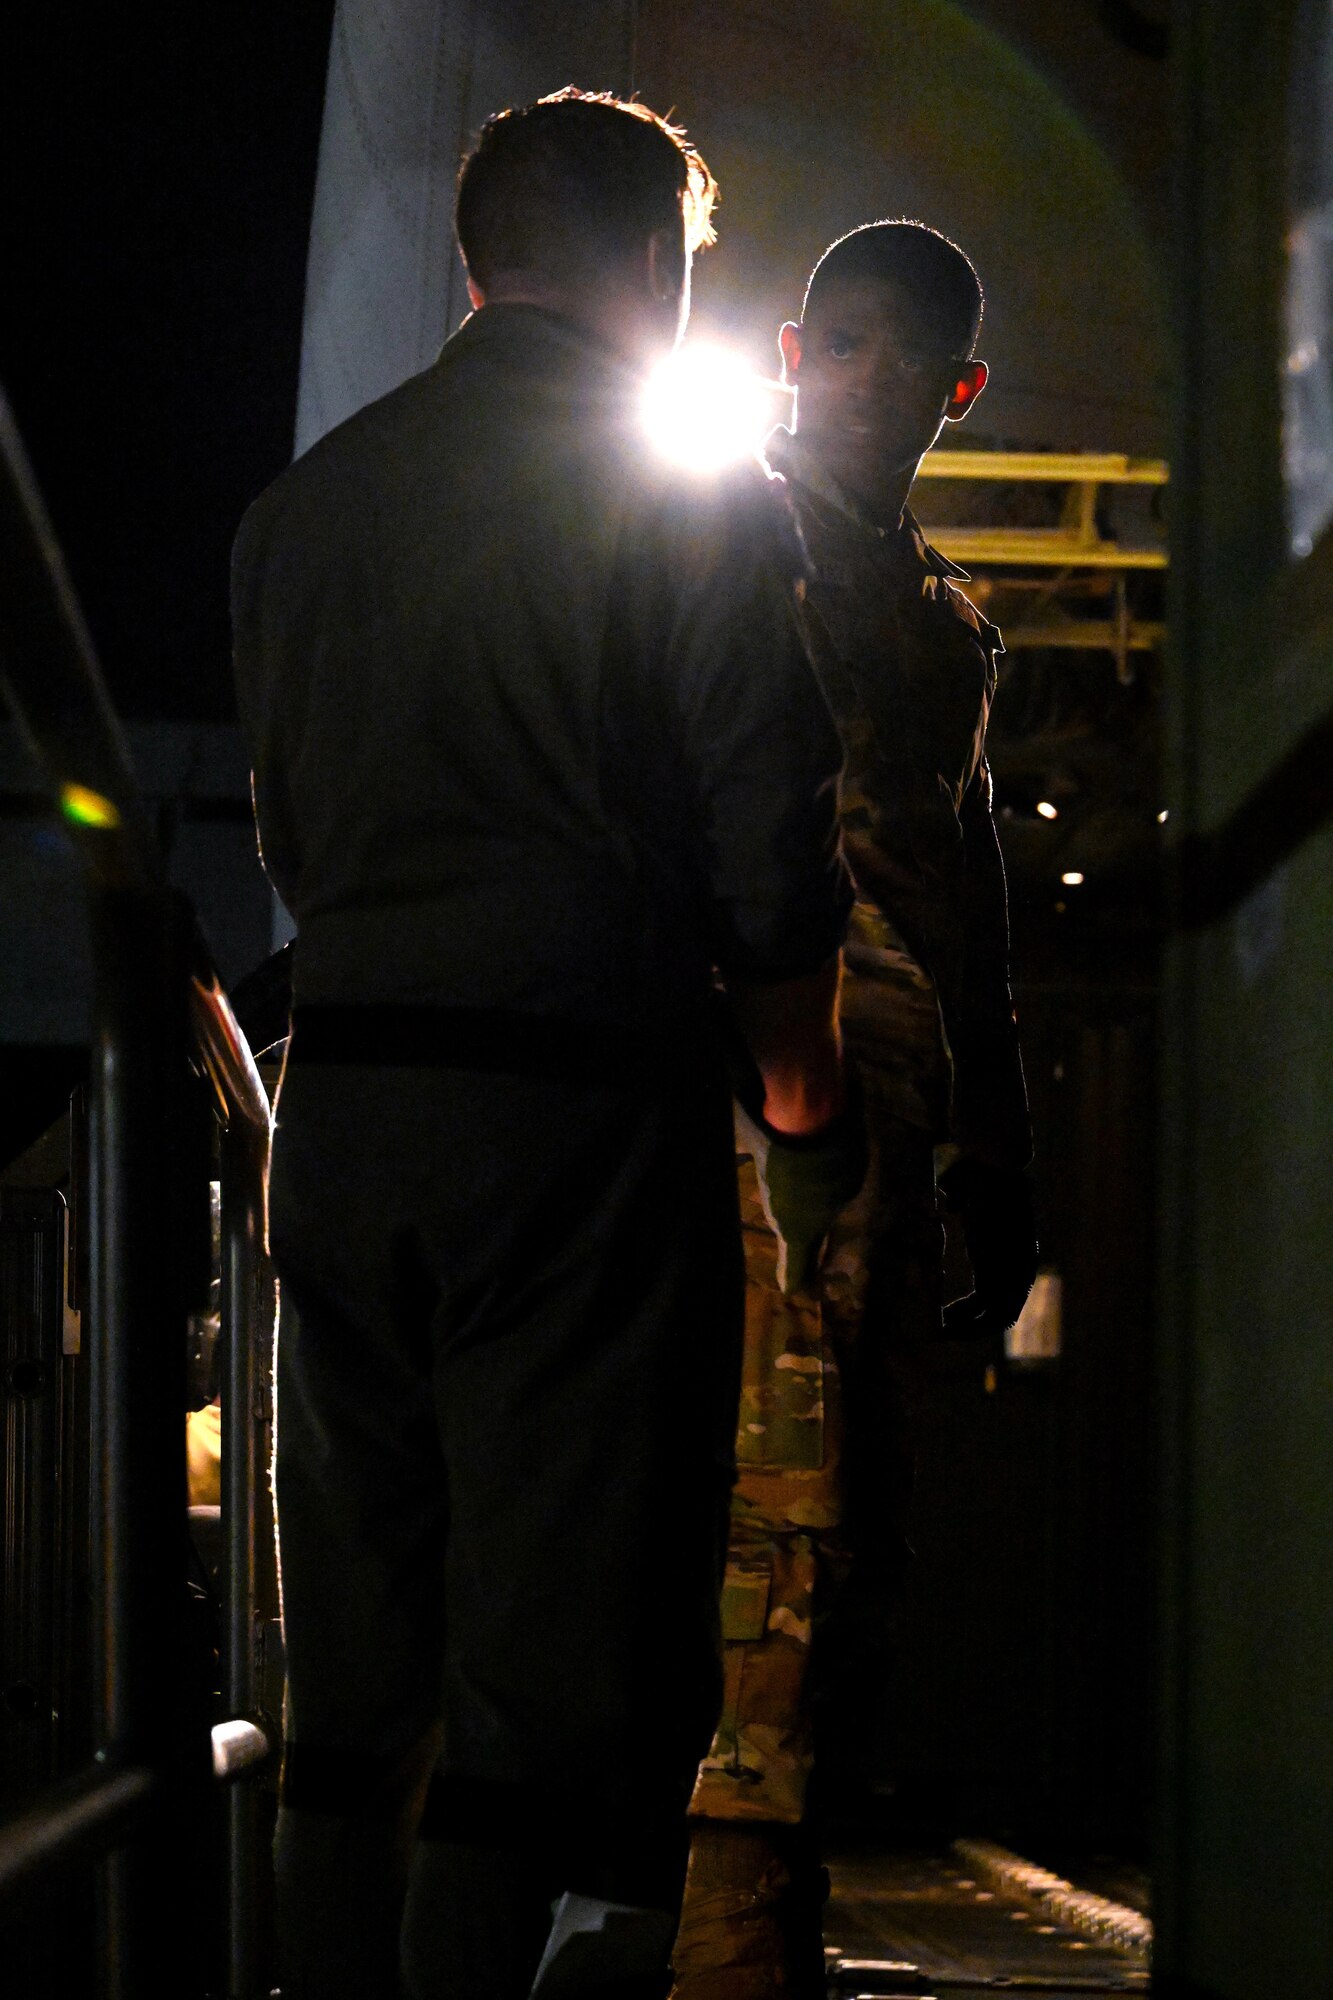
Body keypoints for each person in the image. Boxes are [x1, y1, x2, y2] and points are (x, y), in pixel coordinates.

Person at [231, 90, 861, 2000]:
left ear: (474, 257)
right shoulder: (681, 503)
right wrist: (804, 1101)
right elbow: (768, 844)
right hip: (571, 1123)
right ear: (658, 266)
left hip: (337, 1124)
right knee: (561, 1666)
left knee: (352, 1666)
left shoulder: (303, 511)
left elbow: (287, 832)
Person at [670, 221, 1037, 1998]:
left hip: (875, 1099)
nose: (870, 383)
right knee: (779, 1510)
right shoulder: (714, 546)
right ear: (794, 350)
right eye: (846, 345)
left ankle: (758, 1923)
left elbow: (972, 912)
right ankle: (722, 1943)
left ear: (957, 392)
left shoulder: (946, 625)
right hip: (769, 1077)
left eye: (913, 361)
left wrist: (1002, 1152)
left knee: (854, 1510)